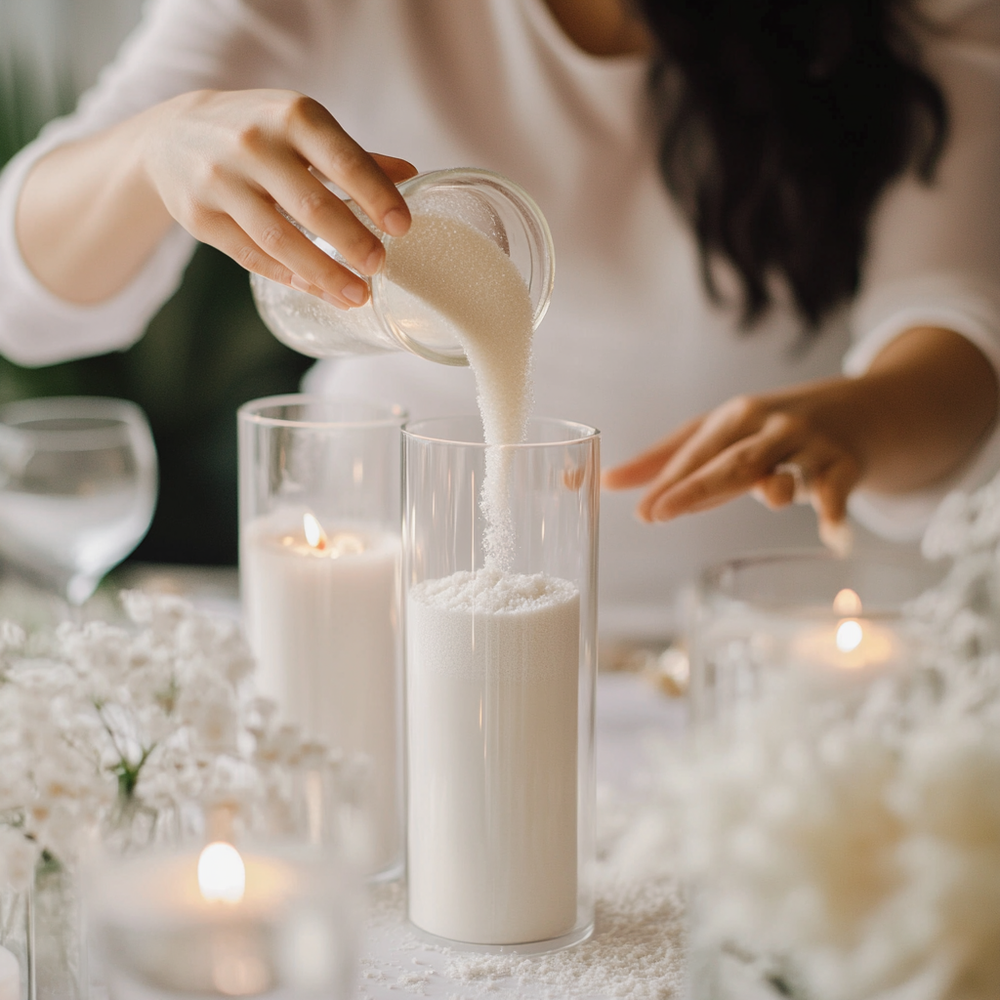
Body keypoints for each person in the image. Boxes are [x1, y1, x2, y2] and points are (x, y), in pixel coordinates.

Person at [1, 0, 998, 641]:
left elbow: (952, 323)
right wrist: (153, 146)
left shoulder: (911, 22)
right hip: (386, 631)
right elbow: (23, 299)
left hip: (753, 645)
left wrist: (861, 420)